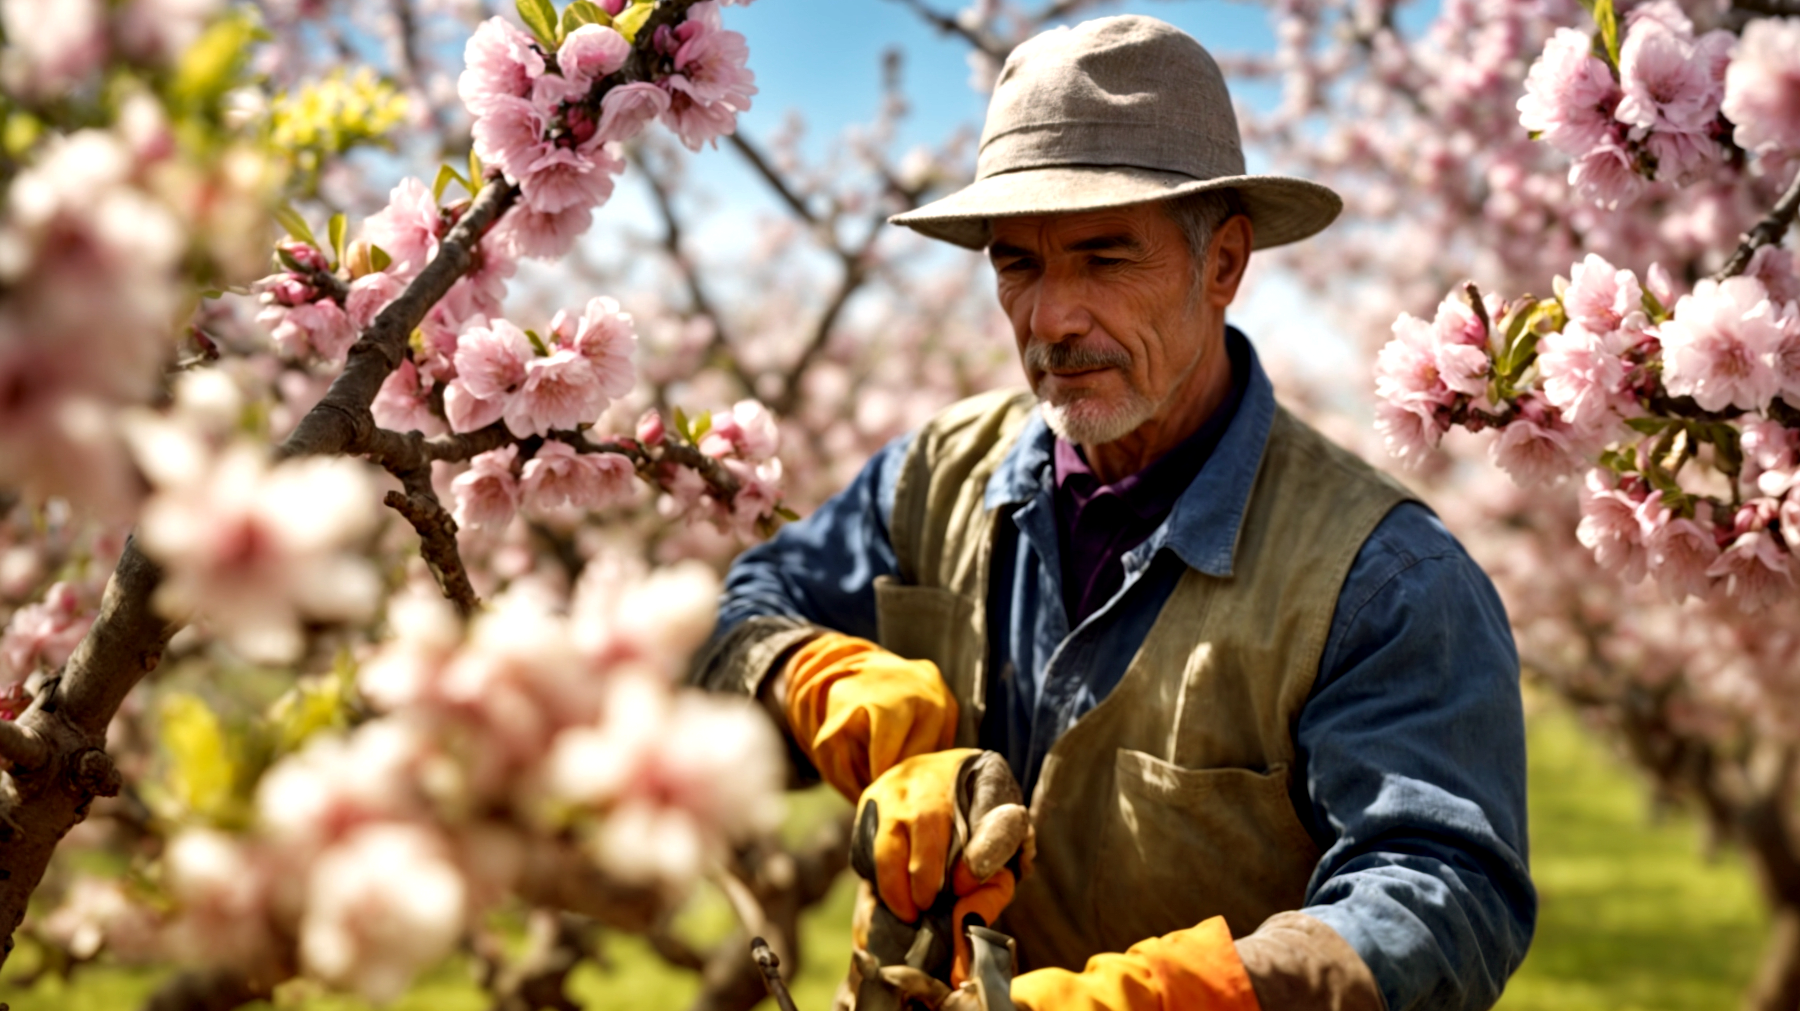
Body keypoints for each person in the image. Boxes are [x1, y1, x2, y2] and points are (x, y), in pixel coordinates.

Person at [693, 15, 1533, 1011]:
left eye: (1103, 258)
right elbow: (738, 620)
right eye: (1018, 264)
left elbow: (1447, 899)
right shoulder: (931, 477)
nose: (1051, 318)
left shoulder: (1380, 577)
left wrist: (1177, 995)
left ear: (1223, 264)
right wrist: (825, 685)